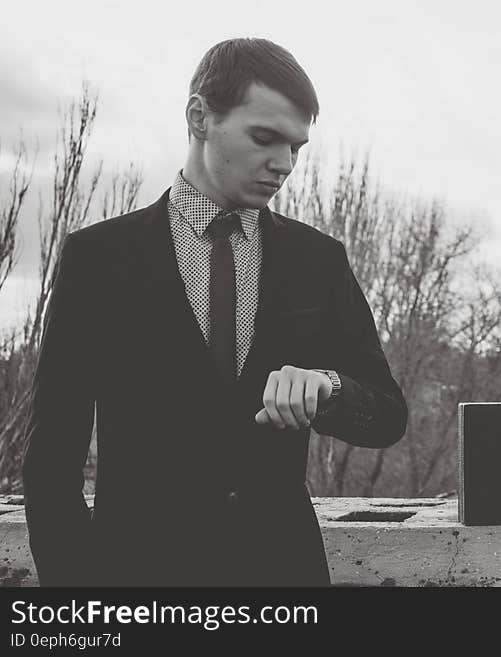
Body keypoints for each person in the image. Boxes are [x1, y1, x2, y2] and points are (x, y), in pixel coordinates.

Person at [22, 38, 408, 586]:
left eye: (297, 148)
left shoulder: (316, 259)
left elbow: (389, 415)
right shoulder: (98, 258)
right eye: (265, 138)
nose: (284, 164)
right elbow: (50, 463)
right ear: (200, 116)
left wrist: (329, 388)